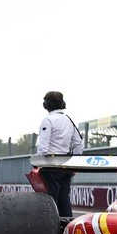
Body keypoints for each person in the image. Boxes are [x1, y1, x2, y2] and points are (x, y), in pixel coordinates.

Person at [36, 90, 85, 218]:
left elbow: (43, 148)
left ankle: (50, 230)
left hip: (50, 167)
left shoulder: (48, 121)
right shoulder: (69, 120)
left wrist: (38, 166)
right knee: (64, 201)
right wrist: (76, 164)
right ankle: (67, 229)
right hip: (66, 166)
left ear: (46, 105)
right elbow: (79, 143)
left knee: (50, 201)